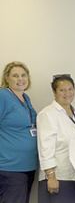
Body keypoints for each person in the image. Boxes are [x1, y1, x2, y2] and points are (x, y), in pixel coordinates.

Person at [37, 74, 75, 203]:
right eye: (62, 90)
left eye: (70, 89)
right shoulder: (48, 114)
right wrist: (51, 176)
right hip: (58, 178)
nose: (67, 93)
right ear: (54, 92)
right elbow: (45, 147)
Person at [0, 61, 38, 203]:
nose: (20, 79)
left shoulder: (25, 98)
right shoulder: (2, 96)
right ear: (6, 78)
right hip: (10, 167)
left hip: (27, 166)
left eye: (23, 75)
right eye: (15, 76)